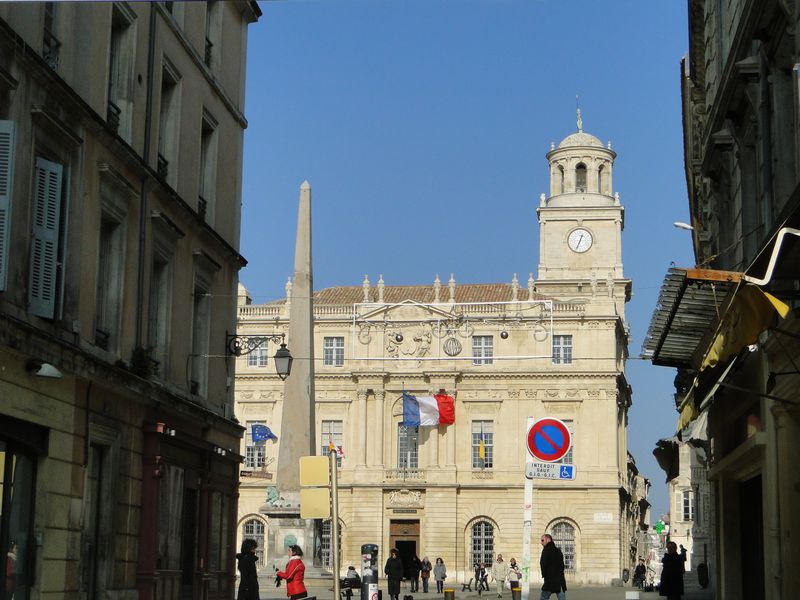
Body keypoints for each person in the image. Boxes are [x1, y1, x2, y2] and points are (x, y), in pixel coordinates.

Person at [539, 534, 567, 600]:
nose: (541, 542)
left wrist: (544, 575)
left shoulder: (546, 550)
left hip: (549, 581)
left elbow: (543, 564)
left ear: (548, 540)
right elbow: (562, 566)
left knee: (543, 598)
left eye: (542, 540)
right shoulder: (558, 551)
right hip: (560, 581)